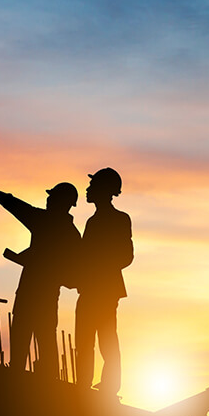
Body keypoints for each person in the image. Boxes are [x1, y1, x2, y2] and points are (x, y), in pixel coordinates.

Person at [0, 175, 80, 378]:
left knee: (27, 341)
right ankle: (46, 386)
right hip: (44, 296)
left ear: (62, 202)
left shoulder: (46, 222)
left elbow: (16, 206)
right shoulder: (72, 234)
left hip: (33, 293)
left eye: (52, 197)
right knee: (44, 341)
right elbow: (17, 206)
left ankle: (23, 385)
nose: (48, 200)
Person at [74, 167, 133, 396]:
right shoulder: (91, 222)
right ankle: (83, 385)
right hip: (89, 289)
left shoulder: (119, 219)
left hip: (105, 290)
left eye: (92, 186)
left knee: (107, 339)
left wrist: (98, 266)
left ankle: (109, 386)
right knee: (84, 340)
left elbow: (126, 256)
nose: (88, 190)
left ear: (104, 190)